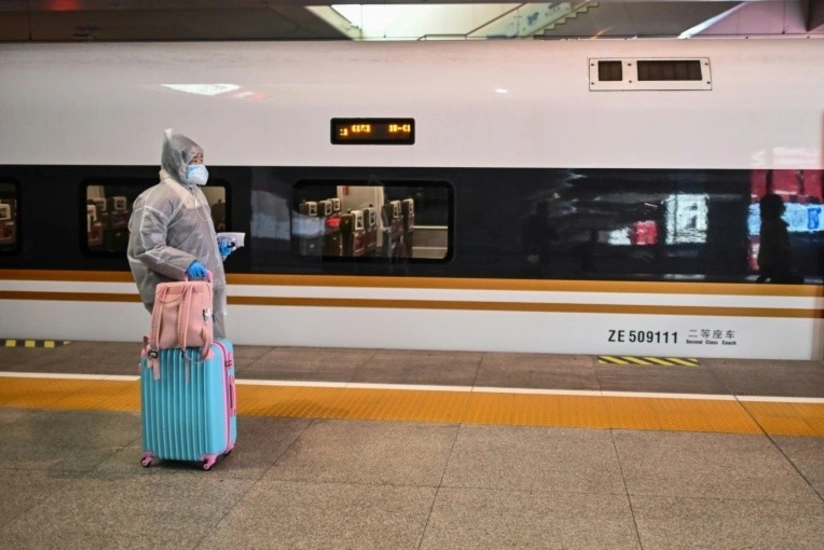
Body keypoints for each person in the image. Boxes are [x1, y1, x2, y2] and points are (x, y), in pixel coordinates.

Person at [127, 129, 234, 338]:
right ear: (177, 162)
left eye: (201, 160)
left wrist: (216, 249)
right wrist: (187, 264)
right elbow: (146, 247)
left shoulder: (195, 194)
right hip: (178, 294)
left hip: (203, 290)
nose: (200, 166)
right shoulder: (156, 199)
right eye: (194, 161)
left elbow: (190, 239)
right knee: (187, 347)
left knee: (211, 347)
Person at [756, 193, 800, 284]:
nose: (784, 206)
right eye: (781, 203)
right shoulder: (776, 225)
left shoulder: (767, 224)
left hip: (770, 264)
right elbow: (779, 246)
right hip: (778, 265)